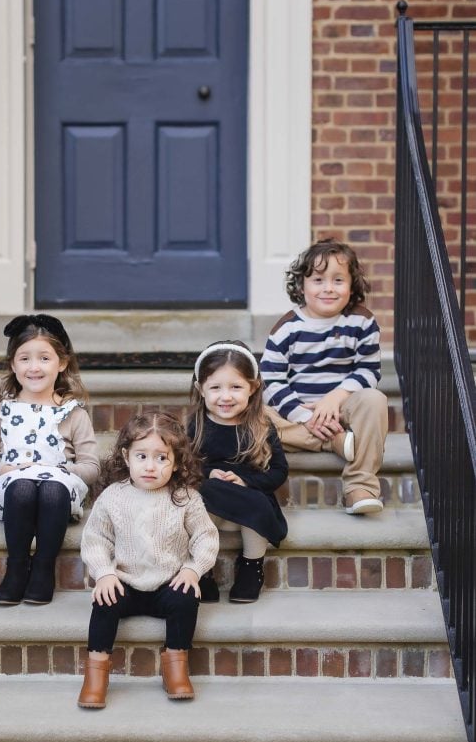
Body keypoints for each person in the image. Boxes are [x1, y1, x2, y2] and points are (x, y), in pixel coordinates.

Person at [78, 412, 218, 709]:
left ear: (177, 462)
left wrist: (193, 570)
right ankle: (95, 676)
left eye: (161, 458)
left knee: (186, 600)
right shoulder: (113, 497)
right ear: (127, 457)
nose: (150, 466)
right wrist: (104, 573)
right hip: (125, 583)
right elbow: (95, 539)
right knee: (104, 603)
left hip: (168, 583)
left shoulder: (186, 497)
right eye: (142, 456)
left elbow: (206, 537)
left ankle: (176, 668)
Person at [0, 314, 98, 606]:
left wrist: (59, 471)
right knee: (23, 487)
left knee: (52, 489)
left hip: (59, 487)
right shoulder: (1, 411)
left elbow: (91, 466)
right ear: (13, 364)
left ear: (62, 363)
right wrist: (8, 469)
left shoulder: (73, 413)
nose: (34, 367)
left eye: (44, 358)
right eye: (25, 359)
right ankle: (17, 568)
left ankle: (43, 568)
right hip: (14, 485)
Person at [260, 238, 388, 516]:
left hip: (344, 409)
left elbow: (368, 370)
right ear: (302, 285)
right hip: (296, 411)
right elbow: (271, 380)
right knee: (254, 416)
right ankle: (334, 442)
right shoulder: (286, 328)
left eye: (338, 280)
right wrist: (305, 417)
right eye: (318, 280)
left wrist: (335, 398)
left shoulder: (362, 322)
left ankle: (360, 485)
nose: (328, 288)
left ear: (352, 285)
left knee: (375, 401)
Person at [189, 341, 288, 604]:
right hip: (213, 501)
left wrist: (245, 480)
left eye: (236, 387)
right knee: (199, 498)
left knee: (258, 502)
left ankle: (251, 567)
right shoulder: (197, 425)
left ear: (253, 387)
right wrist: (208, 474)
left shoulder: (261, 426)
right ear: (200, 389)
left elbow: (279, 471)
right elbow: (185, 466)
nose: (225, 396)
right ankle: (203, 570)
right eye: (215, 387)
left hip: (249, 496)